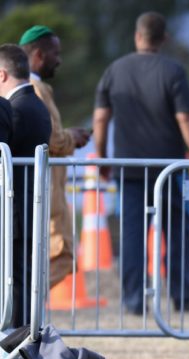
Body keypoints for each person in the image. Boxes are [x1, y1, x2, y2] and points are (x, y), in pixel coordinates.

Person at [93, 11, 189, 315]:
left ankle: (133, 301)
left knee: (132, 235)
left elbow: (101, 119)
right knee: (180, 230)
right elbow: (186, 118)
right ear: (164, 39)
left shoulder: (114, 70)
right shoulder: (173, 71)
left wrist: (103, 157)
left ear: (137, 35)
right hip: (171, 169)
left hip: (128, 169)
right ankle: (184, 298)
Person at [20, 25, 91, 289]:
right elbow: (49, 137)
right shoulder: (35, 89)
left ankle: (23, 311)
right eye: (55, 53)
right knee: (60, 257)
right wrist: (72, 138)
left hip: (47, 191)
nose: (59, 60)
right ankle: (23, 308)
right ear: (38, 55)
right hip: (45, 192)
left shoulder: (31, 87)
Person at [0, 43, 51, 327]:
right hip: (29, 205)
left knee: (15, 279)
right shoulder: (36, 103)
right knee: (21, 276)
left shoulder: (15, 109)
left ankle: (16, 341)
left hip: (16, 207)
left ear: (2, 75)